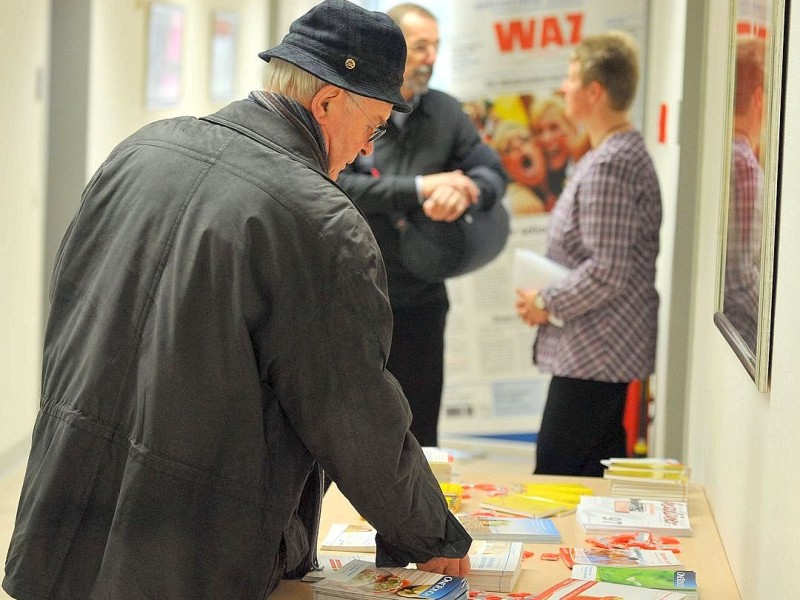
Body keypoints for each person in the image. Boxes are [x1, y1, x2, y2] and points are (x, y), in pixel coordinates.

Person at [2, 2, 471, 598]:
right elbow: (354, 413)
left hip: (63, 520)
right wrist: (431, 536)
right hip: (190, 550)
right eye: (373, 125)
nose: (367, 150)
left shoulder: (140, 151)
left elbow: (69, 313)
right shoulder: (319, 221)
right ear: (327, 103)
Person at [338, 3, 508, 448]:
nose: (431, 57)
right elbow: (340, 184)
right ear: (393, 50)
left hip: (422, 302)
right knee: (354, 430)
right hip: (355, 298)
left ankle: (416, 519)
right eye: (421, 46)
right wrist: (420, 187)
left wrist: (466, 191)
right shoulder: (353, 108)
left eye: (436, 46)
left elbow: (491, 173)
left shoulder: (447, 113)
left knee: (418, 432)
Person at [515, 32, 662, 477]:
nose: (563, 88)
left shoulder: (611, 164)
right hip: (597, 354)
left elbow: (608, 270)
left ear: (595, 91)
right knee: (588, 477)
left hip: (596, 356)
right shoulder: (610, 155)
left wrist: (545, 303)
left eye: (572, 78)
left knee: (558, 477)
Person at [722, 38, 765, 351]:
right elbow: (741, 276)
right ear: (760, 98)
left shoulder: (723, 156)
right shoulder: (744, 164)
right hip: (744, 338)